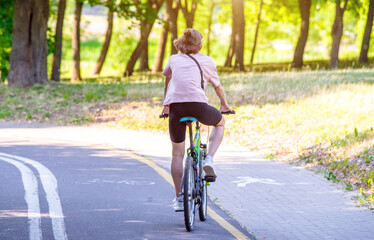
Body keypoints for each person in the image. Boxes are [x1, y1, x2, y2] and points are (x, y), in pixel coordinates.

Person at [161, 28, 233, 211]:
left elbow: (168, 80)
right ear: (199, 45)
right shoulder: (207, 61)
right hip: (199, 106)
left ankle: (179, 199)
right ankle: (209, 159)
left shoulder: (173, 59)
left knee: (177, 155)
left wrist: (166, 105)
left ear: (181, 43)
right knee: (220, 123)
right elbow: (217, 86)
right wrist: (224, 105)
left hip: (176, 108)